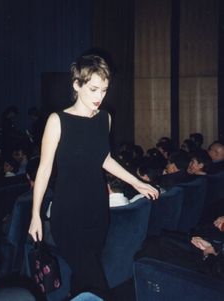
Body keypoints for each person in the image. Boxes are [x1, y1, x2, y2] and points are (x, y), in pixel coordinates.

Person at [28, 54, 159, 299]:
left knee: (82, 278)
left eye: (104, 90)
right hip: (67, 213)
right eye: (93, 89)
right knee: (96, 281)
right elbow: (44, 169)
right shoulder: (58, 121)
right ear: (77, 85)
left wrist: (137, 182)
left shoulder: (104, 118)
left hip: (97, 210)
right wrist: (35, 214)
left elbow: (104, 158)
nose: (99, 97)